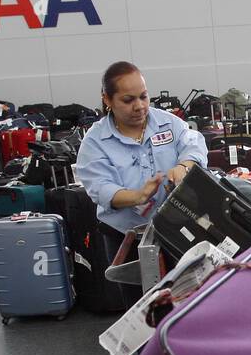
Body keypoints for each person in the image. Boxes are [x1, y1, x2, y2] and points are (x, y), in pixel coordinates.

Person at [76, 61, 209, 238]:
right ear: (107, 99)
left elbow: (194, 144)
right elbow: (101, 188)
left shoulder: (169, 123)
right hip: (126, 236)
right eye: (128, 100)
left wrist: (184, 167)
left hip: (179, 228)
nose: (139, 106)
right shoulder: (95, 141)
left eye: (143, 97)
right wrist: (138, 196)